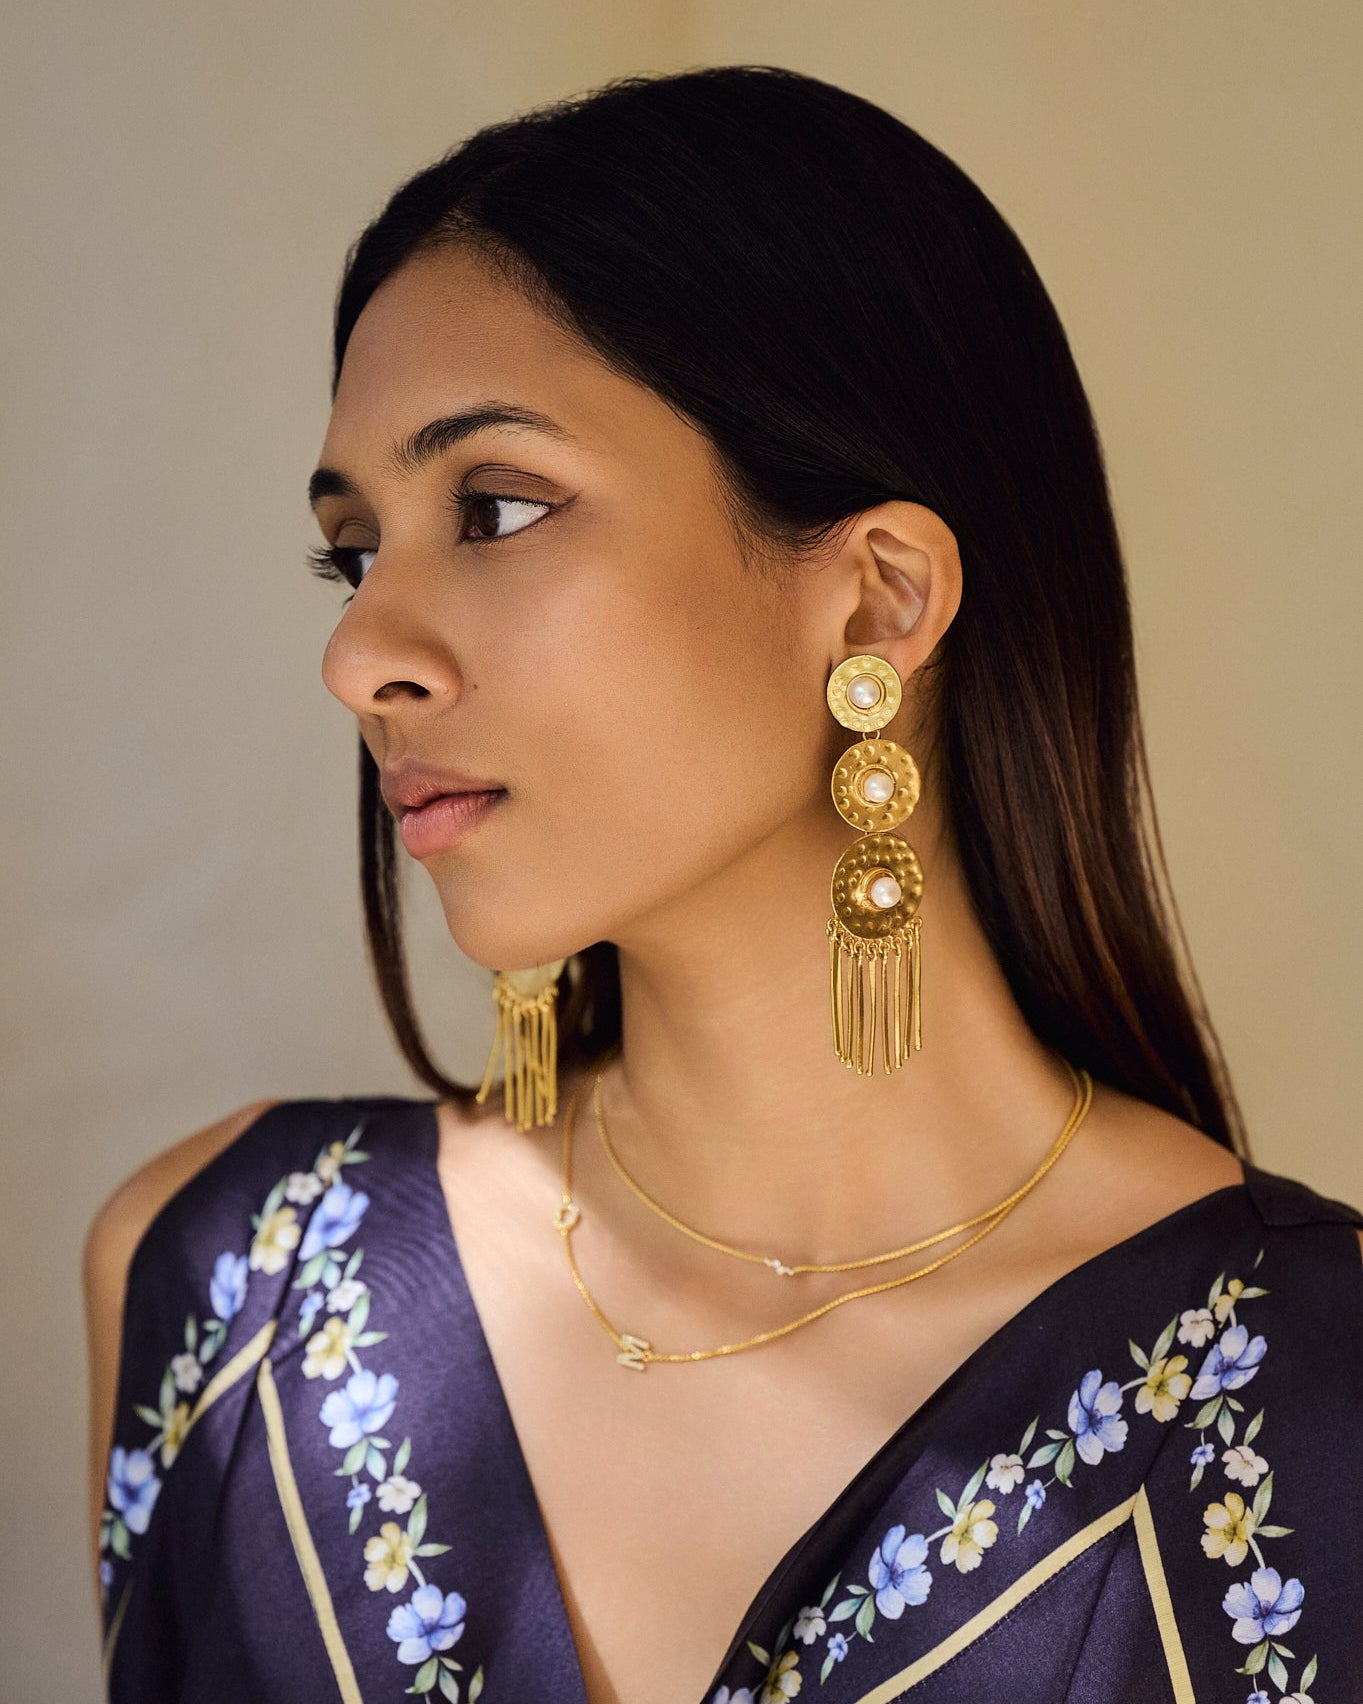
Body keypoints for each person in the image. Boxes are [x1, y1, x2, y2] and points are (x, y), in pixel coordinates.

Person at [84, 63, 1363, 1704]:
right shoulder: (228, 1292)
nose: (359, 655)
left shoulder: (1313, 1397)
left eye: (494, 508)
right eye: (355, 552)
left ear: (878, 600)